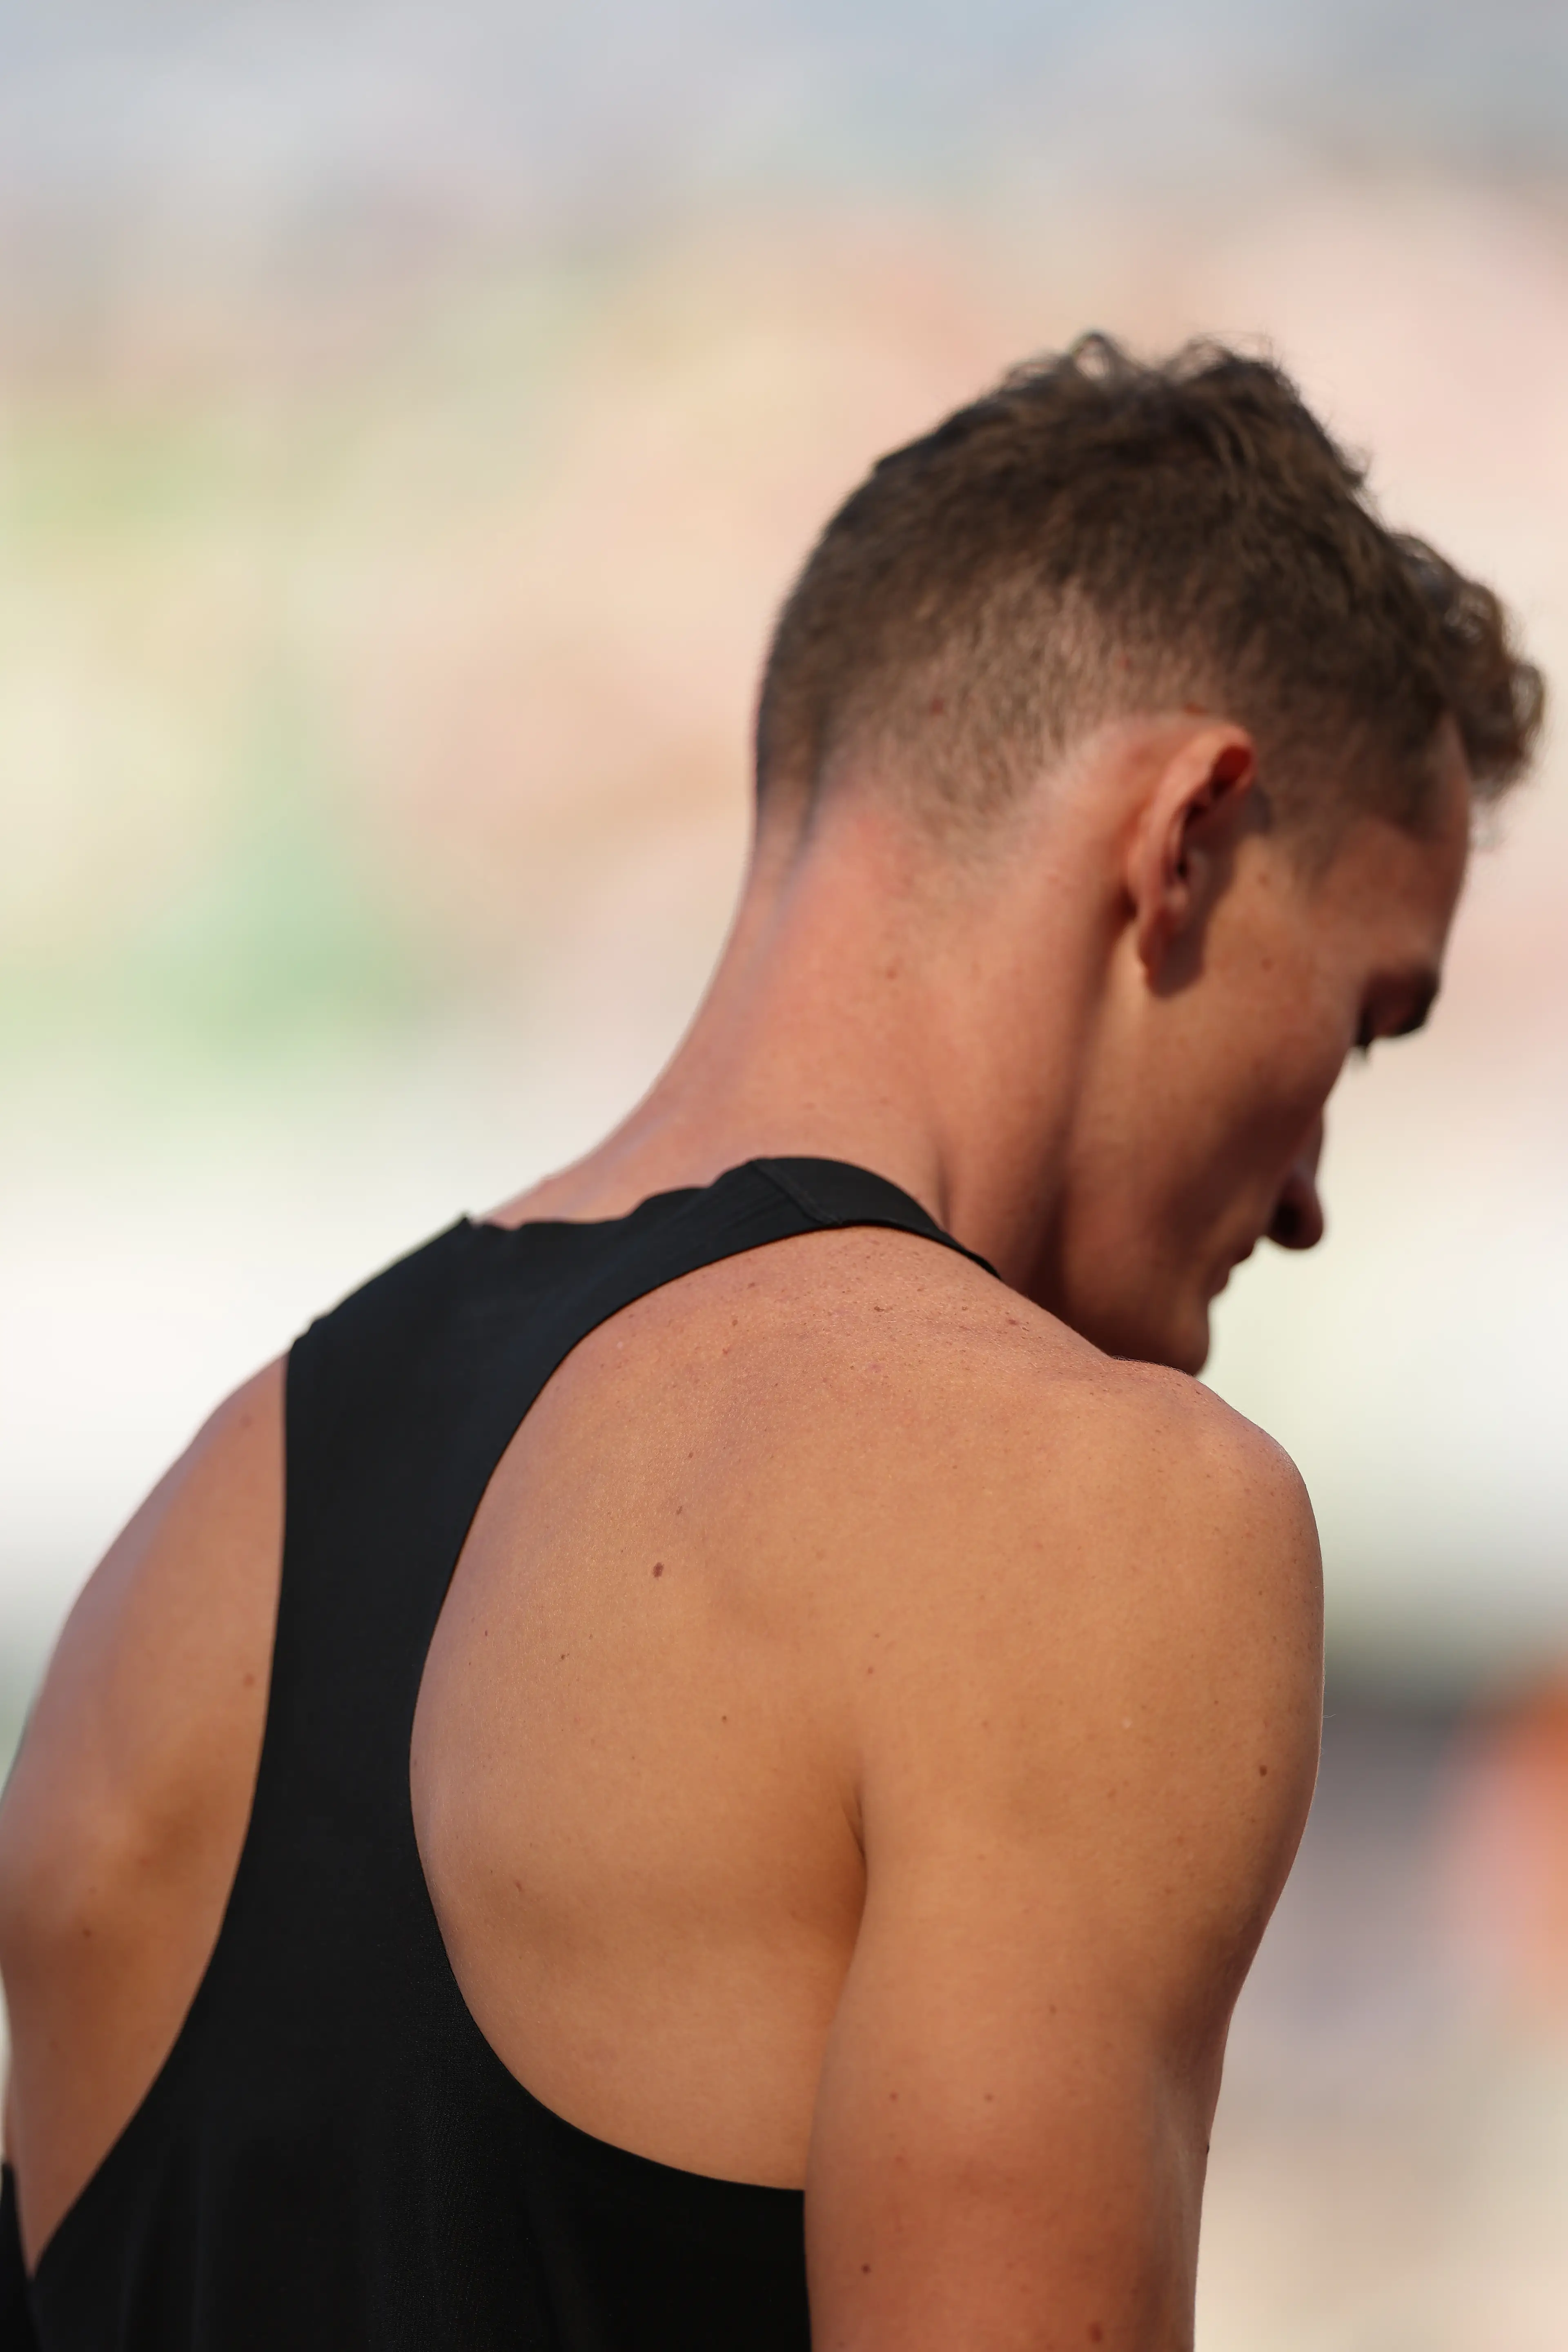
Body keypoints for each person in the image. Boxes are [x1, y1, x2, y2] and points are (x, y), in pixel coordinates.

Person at [0, 335, 1542, 2351]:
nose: (1318, 1183)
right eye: (1361, 1025)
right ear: (1185, 840)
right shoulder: (1080, 1508)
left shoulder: (181, 1552)